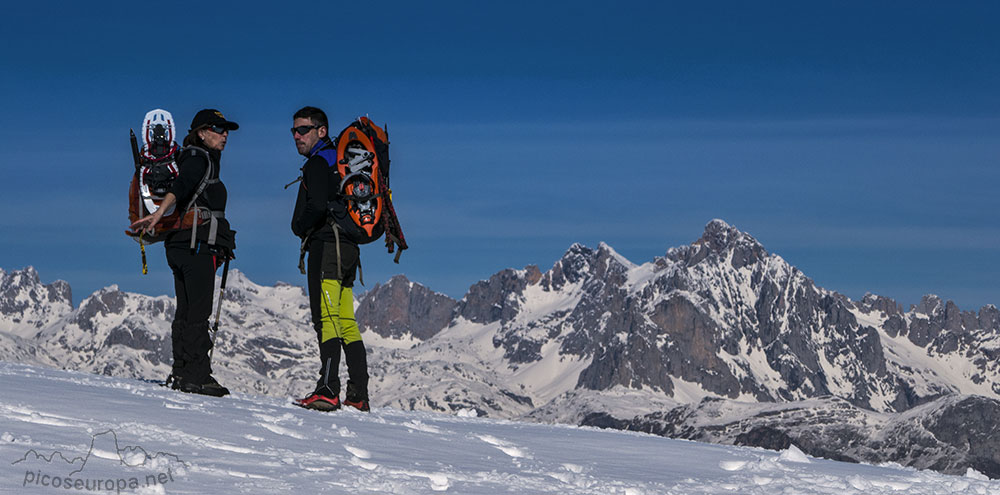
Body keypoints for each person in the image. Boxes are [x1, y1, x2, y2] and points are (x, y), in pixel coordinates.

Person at [131, 109, 238, 397]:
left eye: (226, 129)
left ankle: (181, 371)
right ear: (202, 132)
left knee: (187, 310)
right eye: (218, 129)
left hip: (181, 245)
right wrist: (159, 214)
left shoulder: (193, 158)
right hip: (195, 246)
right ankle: (197, 376)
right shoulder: (196, 159)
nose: (225, 134)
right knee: (198, 312)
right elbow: (181, 187)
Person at [290, 106, 371, 412]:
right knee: (346, 320)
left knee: (326, 318)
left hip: (327, 248)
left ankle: (327, 389)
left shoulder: (317, 163)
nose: (297, 136)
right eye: (294, 131)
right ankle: (358, 393)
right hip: (349, 248)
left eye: (304, 130)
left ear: (321, 131)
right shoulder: (338, 161)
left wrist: (298, 226)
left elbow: (317, 206)